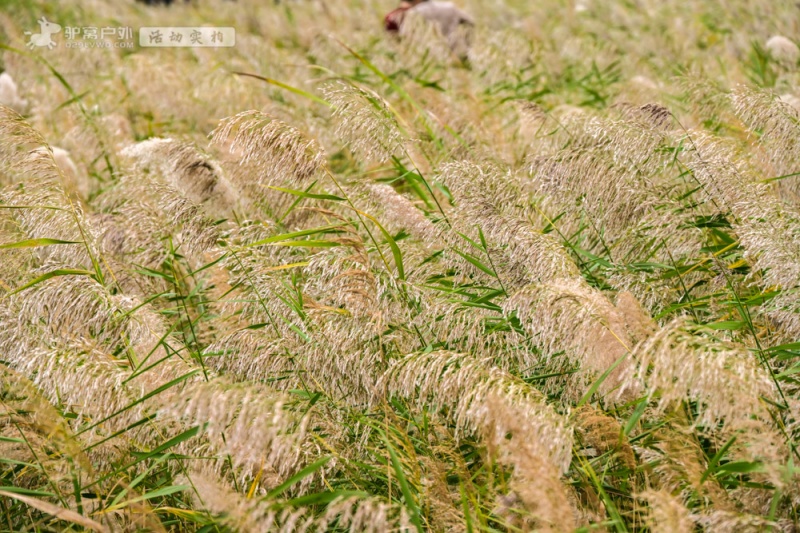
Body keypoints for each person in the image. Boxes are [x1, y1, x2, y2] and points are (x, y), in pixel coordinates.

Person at [385, 0, 474, 43]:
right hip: (453, 55)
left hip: (421, 63)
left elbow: (394, 42)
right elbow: (471, 23)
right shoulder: (449, 7)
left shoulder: (394, 17)